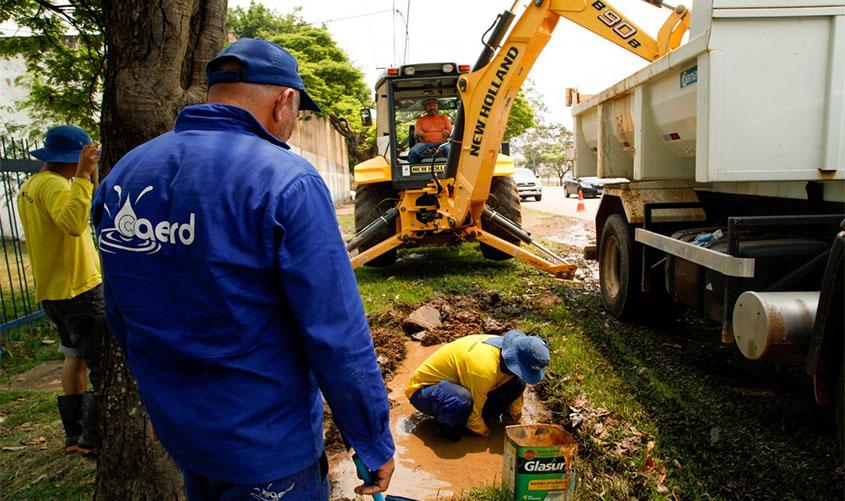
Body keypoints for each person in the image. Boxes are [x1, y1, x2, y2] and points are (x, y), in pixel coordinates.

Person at [91, 38, 395, 500]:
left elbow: (122, 311)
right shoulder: (286, 179)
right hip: (267, 448)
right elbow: (336, 333)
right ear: (284, 101)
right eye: (297, 113)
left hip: (186, 436)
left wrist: (162, 406)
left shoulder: (126, 173)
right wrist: (371, 439)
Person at [17, 125, 104, 457]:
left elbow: (83, 212)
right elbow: (72, 225)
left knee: (74, 355)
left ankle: (74, 433)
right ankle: (92, 440)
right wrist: (82, 177)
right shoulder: (55, 186)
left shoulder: (32, 185)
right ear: (70, 160)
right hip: (77, 289)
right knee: (100, 361)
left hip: (53, 290)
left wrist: (85, 180)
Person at [405, 330, 550, 441]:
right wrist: (485, 435)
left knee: (517, 383)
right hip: (424, 391)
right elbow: (474, 415)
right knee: (461, 400)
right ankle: (448, 434)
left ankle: (483, 418)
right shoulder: (483, 368)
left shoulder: (506, 353)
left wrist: (515, 421)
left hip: (463, 384)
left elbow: (517, 390)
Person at [408, 98, 452, 164]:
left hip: (442, 143)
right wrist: (418, 134)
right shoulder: (421, 120)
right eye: (429, 105)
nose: (432, 107)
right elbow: (416, 135)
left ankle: (452, 171)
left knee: (451, 151)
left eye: (434, 105)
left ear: (437, 107)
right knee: (413, 152)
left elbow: (451, 134)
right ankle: (415, 171)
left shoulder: (444, 118)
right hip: (425, 144)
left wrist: (448, 133)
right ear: (426, 108)